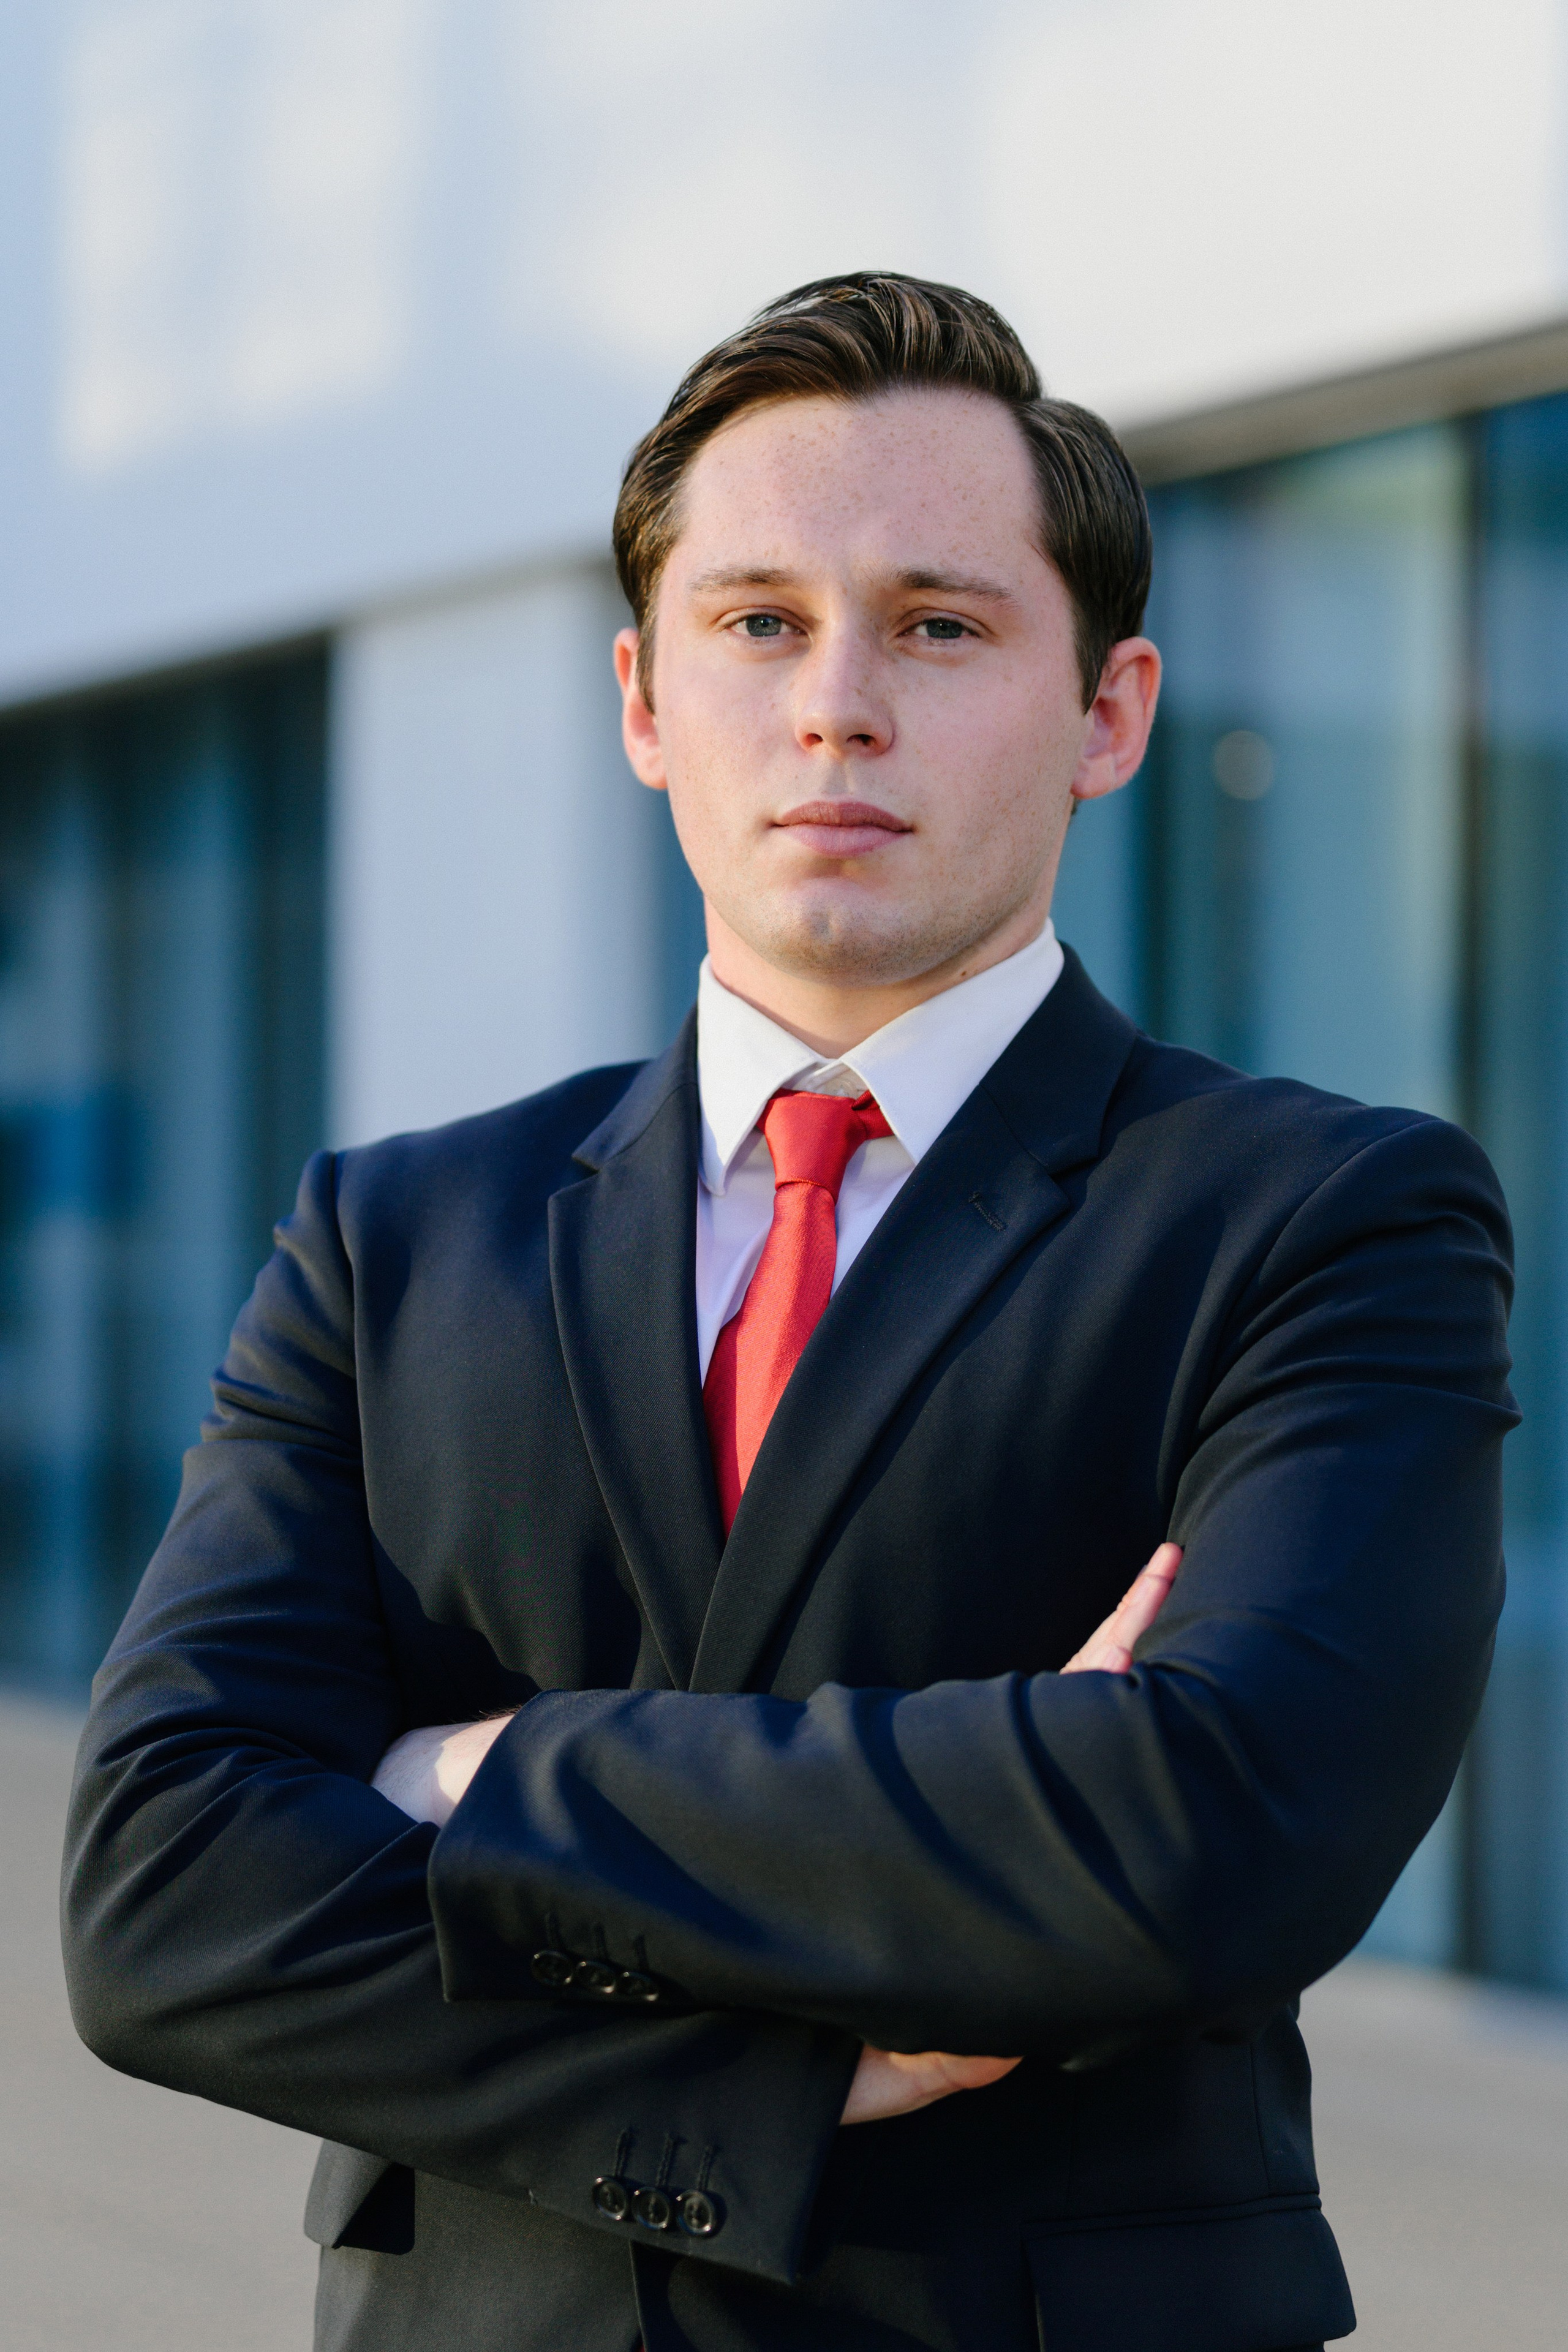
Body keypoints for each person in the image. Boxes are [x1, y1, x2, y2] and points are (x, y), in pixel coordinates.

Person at [62, 273, 1516, 2352]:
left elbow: (1208, 1835)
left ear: (1108, 712)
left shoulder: (1321, 1217)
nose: (839, 702)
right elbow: (164, 1907)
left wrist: (474, 1777)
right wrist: (794, 2060)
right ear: (646, 702)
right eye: (760, 621)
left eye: (940, 623)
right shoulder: (394, 1238)